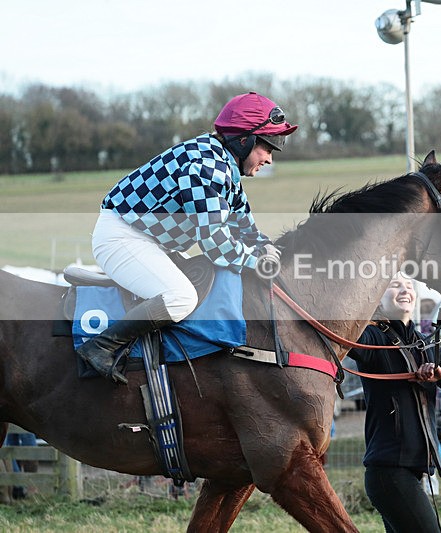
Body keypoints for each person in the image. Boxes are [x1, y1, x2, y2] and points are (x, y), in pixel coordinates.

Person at [78, 92, 297, 383]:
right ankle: (101, 347)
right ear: (243, 140)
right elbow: (216, 246)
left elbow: (244, 226)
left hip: (146, 240)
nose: (269, 158)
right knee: (180, 297)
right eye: (267, 147)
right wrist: (259, 262)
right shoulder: (206, 166)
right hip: (122, 238)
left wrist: (266, 246)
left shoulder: (223, 165)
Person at [347, 274, 441, 533]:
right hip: (389, 472)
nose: (404, 290)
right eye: (394, 286)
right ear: (378, 298)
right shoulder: (371, 338)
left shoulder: (427, 345)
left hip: (411, 472)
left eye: (409, 286)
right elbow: (344, 335)